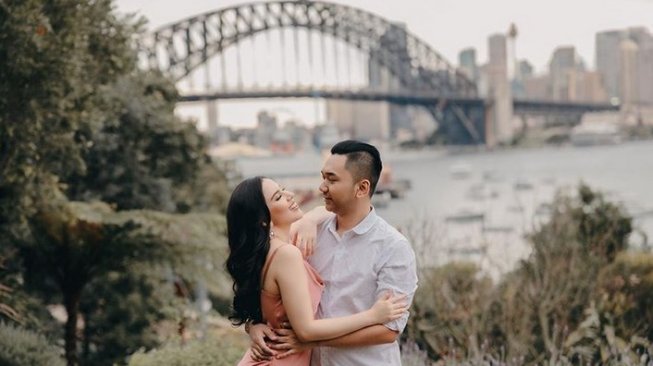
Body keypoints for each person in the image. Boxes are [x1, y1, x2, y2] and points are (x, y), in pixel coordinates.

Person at [248, 140, 418, 365]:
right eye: (323, 177)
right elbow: (267, 290)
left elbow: (388, 330)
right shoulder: (308, 232)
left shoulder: (393, 247)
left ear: (362, 188)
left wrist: (311, 341)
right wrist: (252, 325)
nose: (322, 187)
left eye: (332, 179)